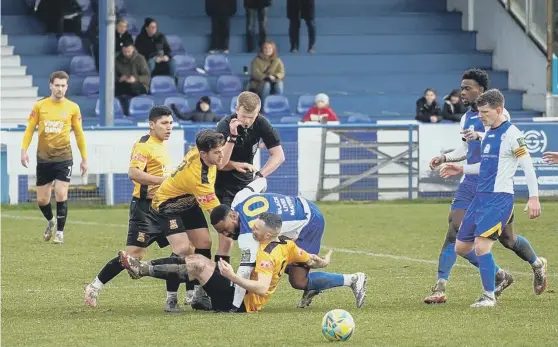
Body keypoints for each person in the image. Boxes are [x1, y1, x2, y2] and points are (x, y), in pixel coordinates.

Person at [425, 69, 547, 304]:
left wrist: (534, 197)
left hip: (497, 191)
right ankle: (456, 284)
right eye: (461, 88)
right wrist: (451, 161)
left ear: (484, 94)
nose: (462, 93)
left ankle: (528, 268)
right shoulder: (475, 122)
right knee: (458, 238)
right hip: (474, 187)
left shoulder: (504, 127)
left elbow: (518, 162)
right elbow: (473, 156)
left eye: (467, 88)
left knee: (505, 241)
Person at [119, 212, 338, 313]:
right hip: (237, 289)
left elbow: (261, 288)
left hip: (241, 303)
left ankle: (142, 270)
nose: (251, 228)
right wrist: (324, 261)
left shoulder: (265, 255)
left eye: (257, 229)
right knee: (197, 259)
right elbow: (309, 258)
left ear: (268, 235)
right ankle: (144, 268)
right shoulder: (286, 243)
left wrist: (232, 276)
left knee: (198, 265)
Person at [209, 177, 367, 310]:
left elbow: (243, 272)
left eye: (225, 229)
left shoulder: (247, 236)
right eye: (221, 232)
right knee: (276, 262)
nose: (226, 234)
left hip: (310, 223)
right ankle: (313, 284)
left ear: (233, 216)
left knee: (298, 280)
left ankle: (352, 279)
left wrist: (235, 306)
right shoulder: (240, 197)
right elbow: (261, 181)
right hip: (302, 205)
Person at [84, 106, 174, 307]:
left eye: (171, 123)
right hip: (145, 210)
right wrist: (162, 181)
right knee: (133, 256)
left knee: (184, 247)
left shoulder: (162, 145)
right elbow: (133, 173)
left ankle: (174, 296)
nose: (169, 128)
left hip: (165, 208)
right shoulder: (144, 146)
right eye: (164, 123)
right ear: (152, 125)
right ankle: (95, 286)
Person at [143, 126, 238, 312]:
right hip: (168, 203)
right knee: (182, 248)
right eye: (217, 152)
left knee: (204, 242)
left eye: (222, 150)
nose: (221, 156)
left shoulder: (200, 149)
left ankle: (199, 296)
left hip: (189, 198)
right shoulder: (199, 180)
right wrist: (231, 230)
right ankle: (171, 298)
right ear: (203, 154)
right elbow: (219, 216)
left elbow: (205, 139)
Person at [213, 91, 285, 269]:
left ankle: (259, 276)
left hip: (247, 185)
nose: (246, 121)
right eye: (244, 116)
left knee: (261, 233)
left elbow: (279, 155)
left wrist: (260, 175)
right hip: (224, 184)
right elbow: (219, 164)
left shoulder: (261, 123)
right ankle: (217, 284)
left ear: (258, 113)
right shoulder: (224, 125)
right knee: (227, 238)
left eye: (251, 117)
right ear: (236, 109)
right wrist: (235, 162)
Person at [20, 71, 87, 244]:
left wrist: (84, 158)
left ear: (67, 87)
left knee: (60, 192)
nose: (60, 89)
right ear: (50, 85)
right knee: (42, 199)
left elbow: (79, 134)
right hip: (44, 158)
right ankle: (51, 221)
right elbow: (29, 129)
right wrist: (23, 150)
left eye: (63, 86)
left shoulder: (73, 108)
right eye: (57, 85)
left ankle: (60, 233)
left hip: (64, 158)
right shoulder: (40, 106)